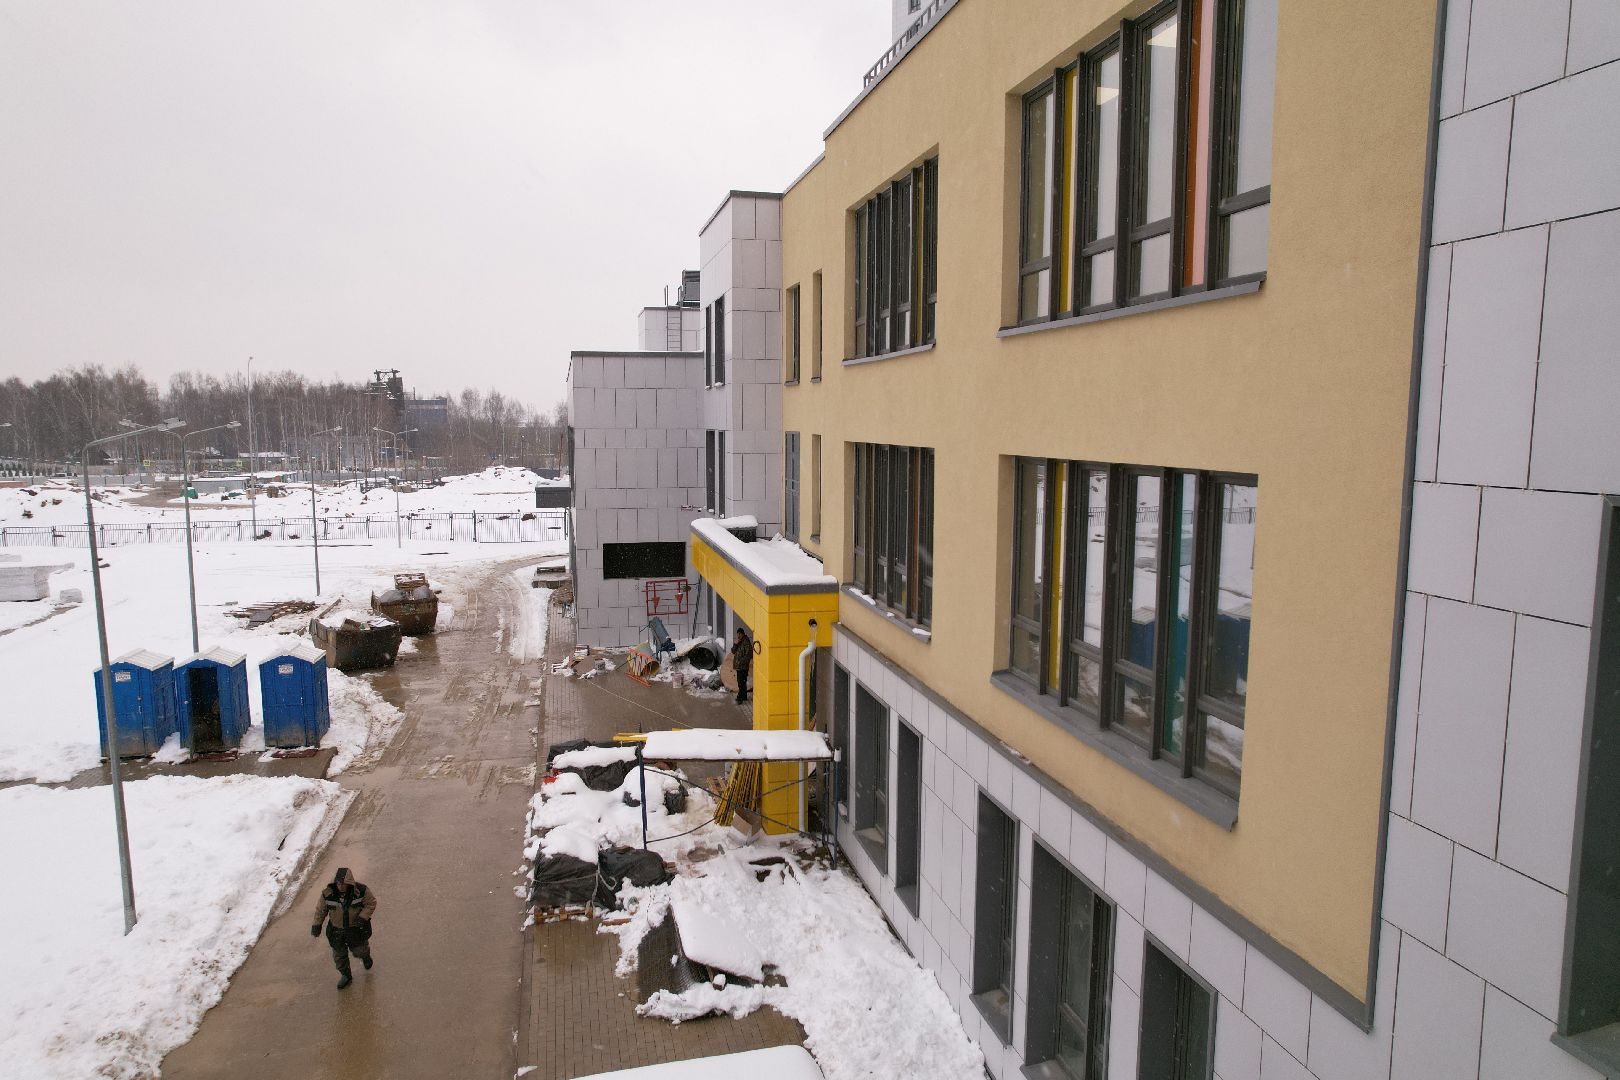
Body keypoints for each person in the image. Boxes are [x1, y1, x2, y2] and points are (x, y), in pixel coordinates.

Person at [310, 866, 377, 989]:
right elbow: (321, 910)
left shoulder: (361, 891)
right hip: (336, 931)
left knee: (359, 950)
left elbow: (371, 903)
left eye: (343, 884)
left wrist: (363, 917)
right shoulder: (328, 894)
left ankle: (365, 956)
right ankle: (345, 975)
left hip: (355, 930)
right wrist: (316, 924)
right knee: (339, 957)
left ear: (349, 883)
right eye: (338, 883)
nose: (340, 886)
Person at [731, 628, 753, 706]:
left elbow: (749, 655)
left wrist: (741, 662)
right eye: (738, 634)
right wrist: (735, 644)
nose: (738, 635)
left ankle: (740, 698)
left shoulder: (746, 642)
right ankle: (744, 696)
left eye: (740, 634)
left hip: (743, 667)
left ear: (743, 634)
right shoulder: (739, 642)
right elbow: (733, 651)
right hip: (739, 667)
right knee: (741, 682)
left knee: (741, 682)